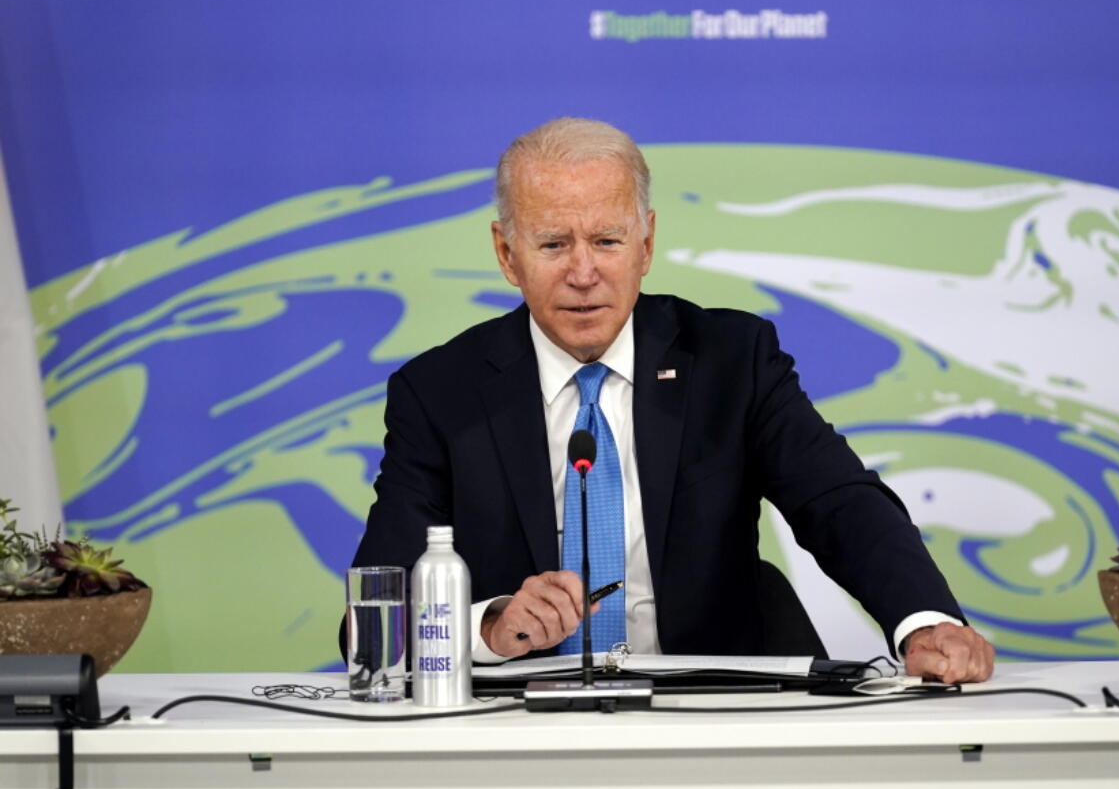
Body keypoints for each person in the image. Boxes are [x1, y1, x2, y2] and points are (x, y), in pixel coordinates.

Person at [350, 117, 994, 683]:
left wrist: (923, 620)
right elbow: (371, 630)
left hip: (714, 720)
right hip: (520, 730)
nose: (583, 272)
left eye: (607, 240)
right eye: (553, 244)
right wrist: (485, 627)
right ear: (506, 254)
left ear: (647, 244)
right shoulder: (441, 393)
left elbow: (838, 501)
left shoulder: (731, 359)